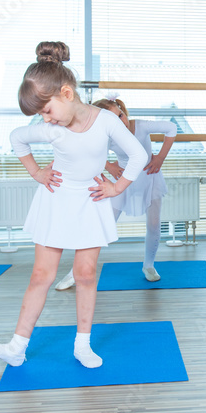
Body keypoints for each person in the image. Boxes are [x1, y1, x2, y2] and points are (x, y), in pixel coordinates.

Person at [0, 42, 148, 369]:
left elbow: (139, 155)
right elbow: (17, 138)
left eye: (46, 110)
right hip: (56, 200)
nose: (45, 119)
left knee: (85, 275)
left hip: (90, 199)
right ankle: (16, 347)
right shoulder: (52, 130)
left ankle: (82, 345)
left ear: (67, 94)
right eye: (40, 114)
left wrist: (117, 187)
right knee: (42, 274)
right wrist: (37, 172)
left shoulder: (106, 121)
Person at [55, 96, 177, 288]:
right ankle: (75, 273)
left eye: (121, 115)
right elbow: (85, 149)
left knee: (154, 224)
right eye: (114, 119)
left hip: (149, 177)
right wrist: (109, 165)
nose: (122, 121)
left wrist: (160, 158)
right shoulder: (106, 135)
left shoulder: (141, 126)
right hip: (122, 180)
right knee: (102, 224)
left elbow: (171, 128)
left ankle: (149, 265)